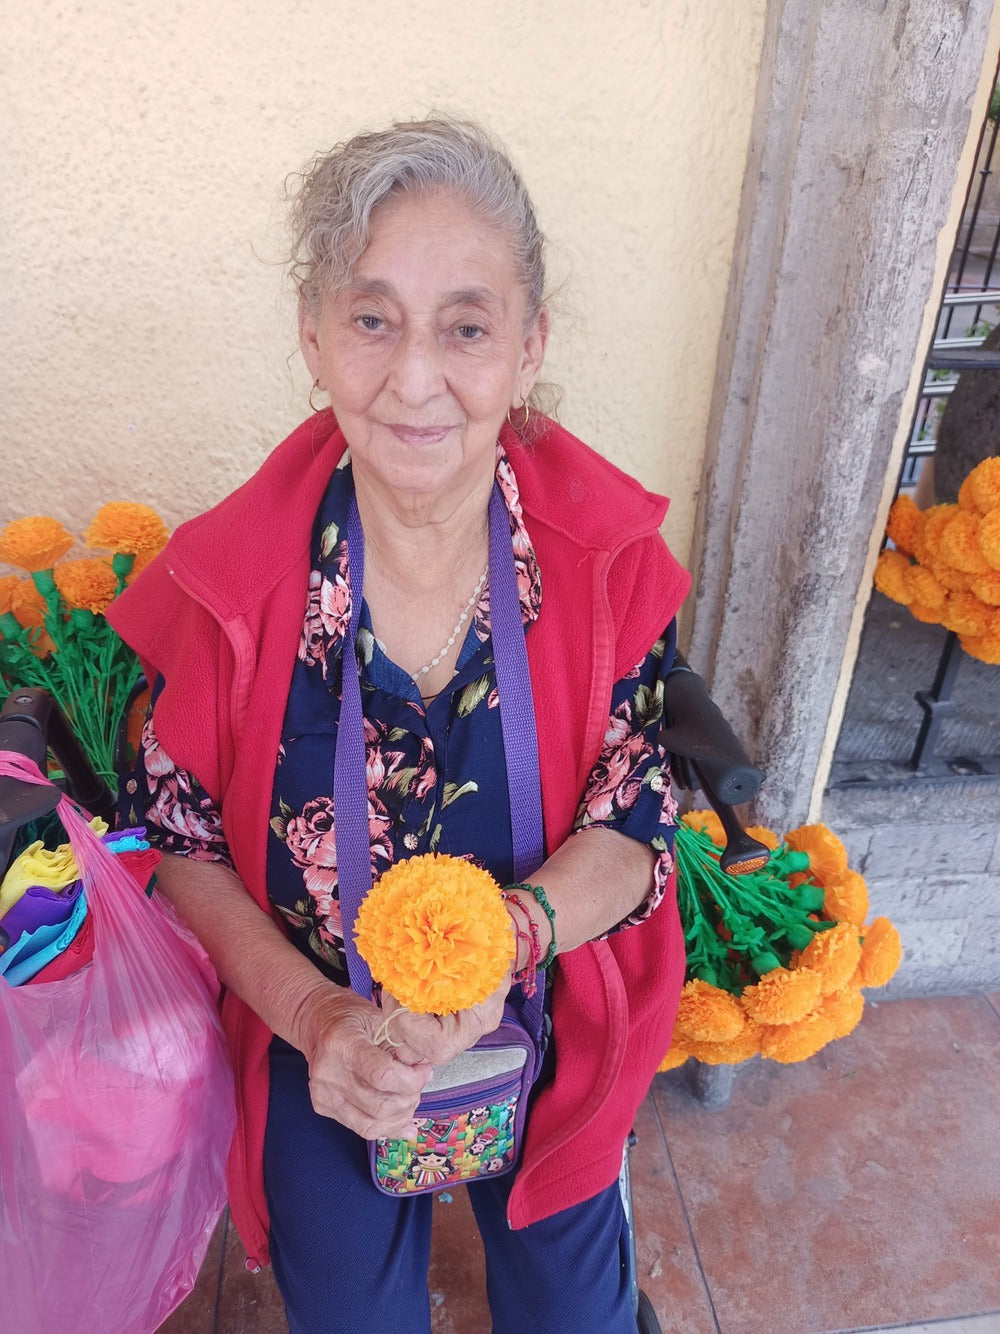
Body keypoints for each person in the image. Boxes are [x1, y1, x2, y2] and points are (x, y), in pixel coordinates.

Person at [109, 116, 690, 1334]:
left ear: (528, 349)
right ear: (313, 336)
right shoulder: (230, 586)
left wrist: (515, 933)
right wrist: (320, 1019)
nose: (415, 377)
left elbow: (636, 818)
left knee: (577, 1320)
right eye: (372, 319)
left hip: (548, 1008)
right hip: (321, 1022)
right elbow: (177, 841)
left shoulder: (607, 566)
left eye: (466, 327)